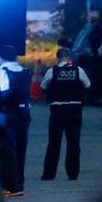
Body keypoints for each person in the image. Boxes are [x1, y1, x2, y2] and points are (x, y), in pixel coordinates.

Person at [0, 45, 32, 197]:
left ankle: (12, 187)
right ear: (15, 57)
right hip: (24, 117)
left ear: (0, 58)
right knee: (21, 150)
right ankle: (19, 183)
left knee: (7, 152)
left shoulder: (0, 73)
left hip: (7, 117)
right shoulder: (26, 72)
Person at [40, 47, 91, 181]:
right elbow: (87, 84)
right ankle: (73, 174)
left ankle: (49, 174)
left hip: (57, 109)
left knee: (54, 143)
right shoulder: (78, 70)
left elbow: (43, 86)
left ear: (58, 58)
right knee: (73, 143)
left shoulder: (52, 71)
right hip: (74, 109)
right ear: (69, 58)